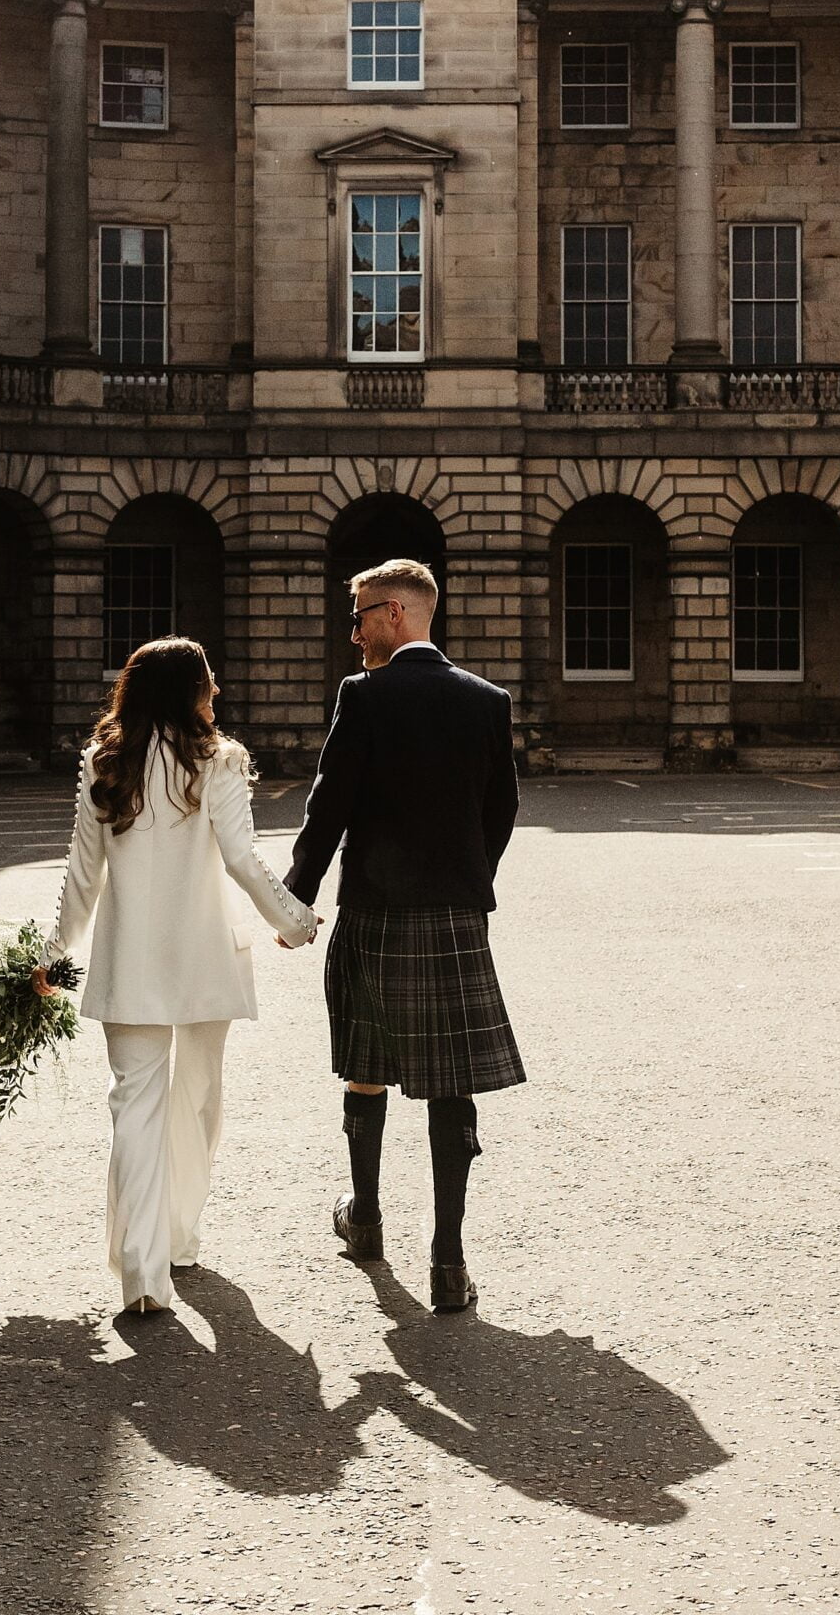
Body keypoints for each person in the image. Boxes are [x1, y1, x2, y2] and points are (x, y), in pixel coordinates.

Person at [36, 637, 319, 1315]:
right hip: (203, 957)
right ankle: (180, 1237)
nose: (215, 692)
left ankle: (142, 1272)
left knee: (134, 1109)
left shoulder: (104, 761)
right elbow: (242, 859)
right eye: (208, 681)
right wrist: (295, 921)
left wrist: (51, 954)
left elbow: (82, 874)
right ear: (185, 691)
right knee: (197, 1101)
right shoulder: (218, 759)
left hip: (129, 958)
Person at [283, 558, 523, 1315]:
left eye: (356, 618)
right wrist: (466, 878)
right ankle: (447, 1264)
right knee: (450, 1081)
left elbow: (330, 807)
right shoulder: (487, 701)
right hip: (451, 915)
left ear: (393, 614)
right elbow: (502, 808)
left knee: (367, 1063)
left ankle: (365, 1221)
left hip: (377, 910)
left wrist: (296, 897)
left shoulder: (364, 696)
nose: (351, 636)